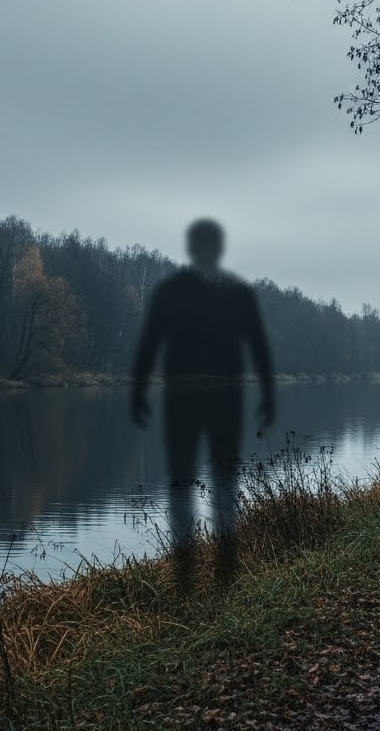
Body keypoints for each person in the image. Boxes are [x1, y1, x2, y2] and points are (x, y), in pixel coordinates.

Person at [130, 218, 275, 591]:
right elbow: (259, 348)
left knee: (189, 482)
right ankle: (221, 572)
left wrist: (139, 392)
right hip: (222, 396)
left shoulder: (171, 290)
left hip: (186, 397)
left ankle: (189, 576)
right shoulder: (236, 292)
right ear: (216, 248)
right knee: (219, 480)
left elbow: (149, 344)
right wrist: (268, 394)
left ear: (193, 248)